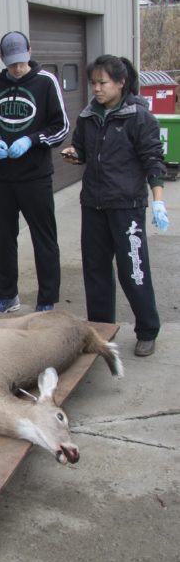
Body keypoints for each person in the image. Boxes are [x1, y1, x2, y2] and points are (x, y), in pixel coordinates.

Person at [61, 55, 168, 357]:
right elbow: (83, 149)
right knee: (95, 270)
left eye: (103, 83)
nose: (96, 89)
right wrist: (74, 152)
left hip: (127, 207)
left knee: (133, 271)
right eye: (93, 83)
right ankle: (100, 331)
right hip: (93, 204)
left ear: (121, 83)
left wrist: (158, 202)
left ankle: (147, 329)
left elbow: (153, 160)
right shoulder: (87, 116)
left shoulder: (138, 117)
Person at [0, 30, 70, 313]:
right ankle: (7, 296)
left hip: (36, 177)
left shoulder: (45, 82)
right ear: (2, 58)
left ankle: (46, 300)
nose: (17, 68)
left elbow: (61, 126)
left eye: (21, 61)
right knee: (6, 237)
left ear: (29, 51)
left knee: (44, 238)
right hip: (3, 178)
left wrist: (32, 139)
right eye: (11, 63)